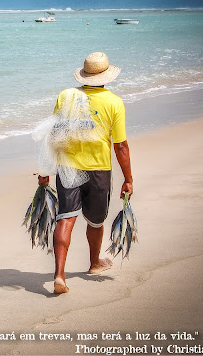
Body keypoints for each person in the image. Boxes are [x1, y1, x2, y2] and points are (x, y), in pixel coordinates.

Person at [37, 51, 133, 294]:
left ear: (84, 75)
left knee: (65, 218)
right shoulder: (114, 102)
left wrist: (45, 169)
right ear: (106, 76)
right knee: (96, 221)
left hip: (67, 166)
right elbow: (120, 145)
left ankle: (59, 276)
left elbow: (54, 134)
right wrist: (128, 179)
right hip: (99, 168)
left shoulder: (65, 96)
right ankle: (94, 263)